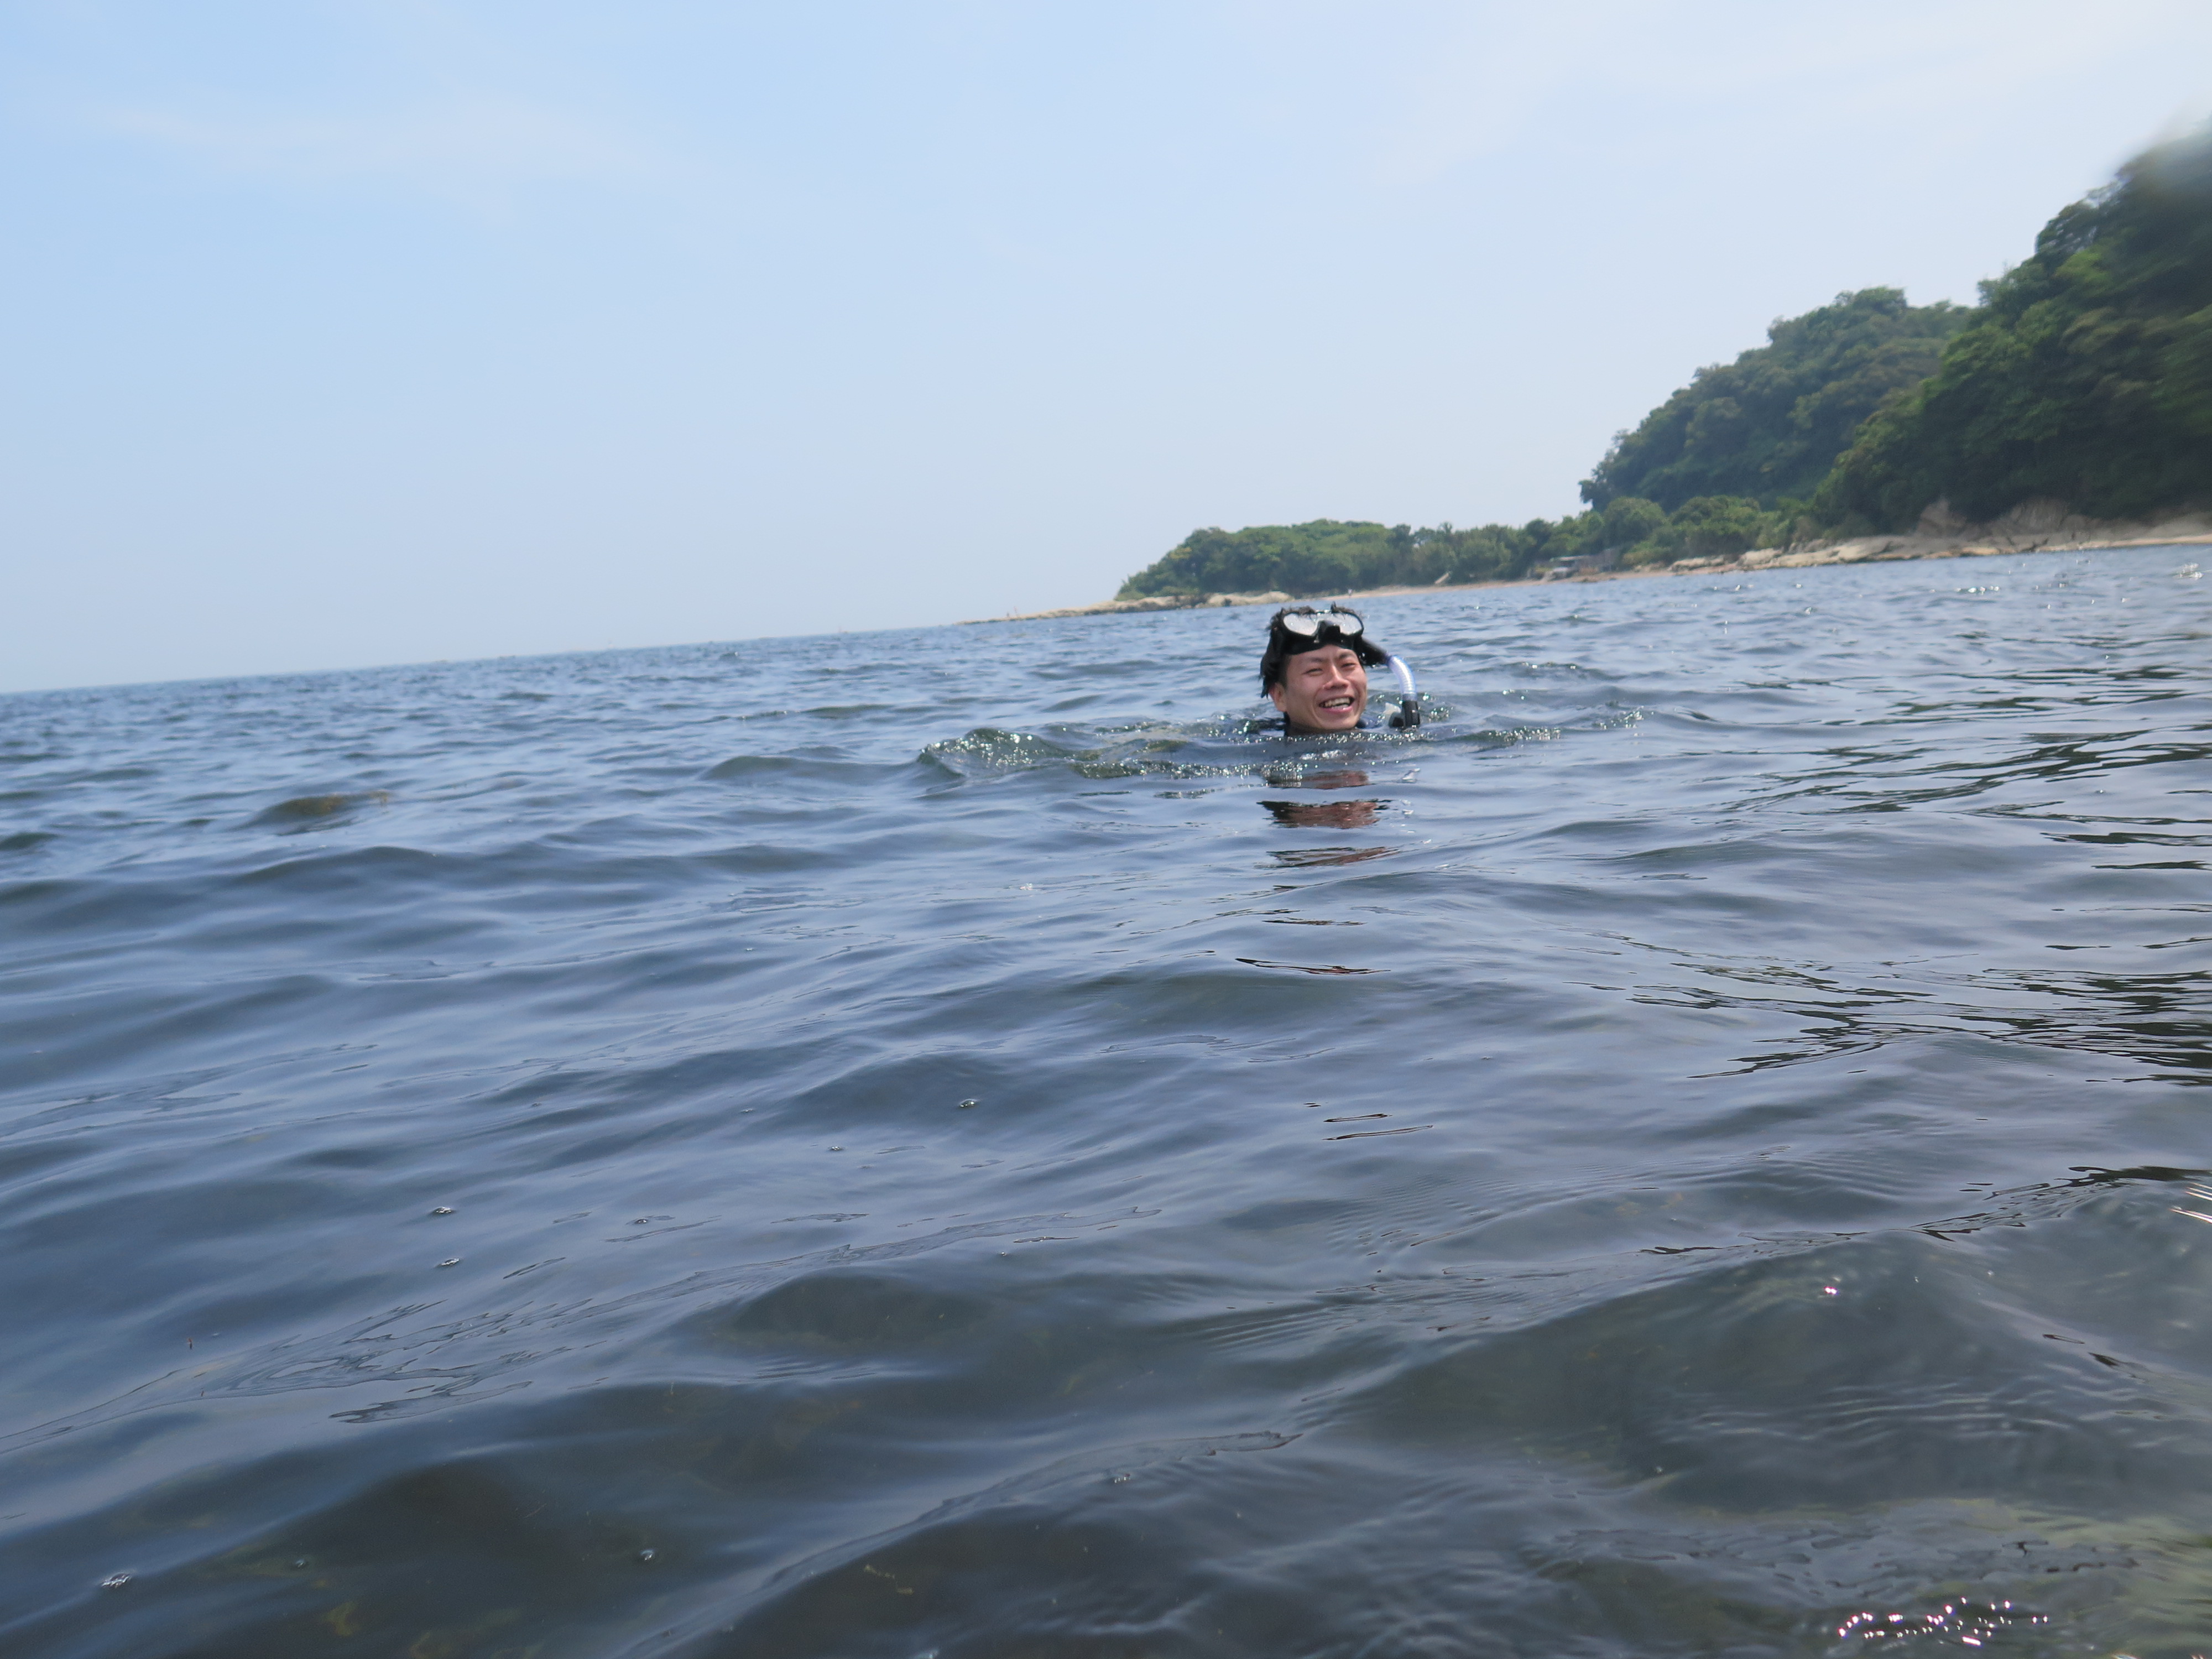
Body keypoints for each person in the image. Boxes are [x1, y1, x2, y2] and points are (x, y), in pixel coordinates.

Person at [1260, 604, 1392, 734]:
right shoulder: (1259, 745)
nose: (1338, 681)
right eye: (1315, 670)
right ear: (1280, 696)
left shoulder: (1389, 730)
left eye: (1348, 665)